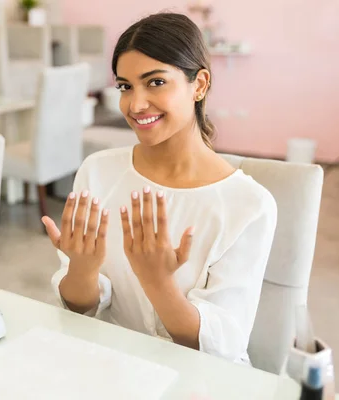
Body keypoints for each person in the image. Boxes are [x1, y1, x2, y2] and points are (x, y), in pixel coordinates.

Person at [41, 12, 277, 365]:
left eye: (155, 83)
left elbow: (223, 345)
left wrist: (158, 283)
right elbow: (79, 308)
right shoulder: (98, 171)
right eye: (125, 86)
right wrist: (83, 270)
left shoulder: (248, 204)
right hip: (111, 366)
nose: (135, 105)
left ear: (199, 84)